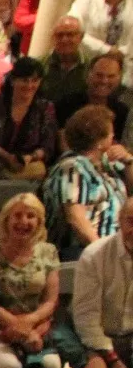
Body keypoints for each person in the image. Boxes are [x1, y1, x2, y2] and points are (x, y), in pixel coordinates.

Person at [0, 193, 66, 368]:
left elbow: (50, 301)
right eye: (17, 215)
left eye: (30, 216)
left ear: (39, 222)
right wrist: (17, 327)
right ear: (6, 220)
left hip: (36, 328)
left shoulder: (48, 251)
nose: (24, 221)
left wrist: (29, 327)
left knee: (51, 365)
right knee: (10, 367)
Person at [42, 105, 133, 259]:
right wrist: (104, 253)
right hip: (82, 250)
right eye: (110, 132)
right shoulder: (71, 168)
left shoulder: (109, 166)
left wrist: (129, 161)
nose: (113, 136)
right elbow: (76, 219)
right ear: (99, 140)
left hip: (119, 248)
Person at [73, 203, 133, 368]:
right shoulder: (94, 255)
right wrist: (113, 359)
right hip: (92, 338)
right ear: (120, 221)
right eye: (131, 221)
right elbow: (87, 318)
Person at [0, 57, 56, 181]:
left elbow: (48, 145)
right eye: (24, 80)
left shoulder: (45, 108)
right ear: (13, 80)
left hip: (30, 166)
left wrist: (29, 158)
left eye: (34, 81)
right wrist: (7, 157)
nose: (29, 85)